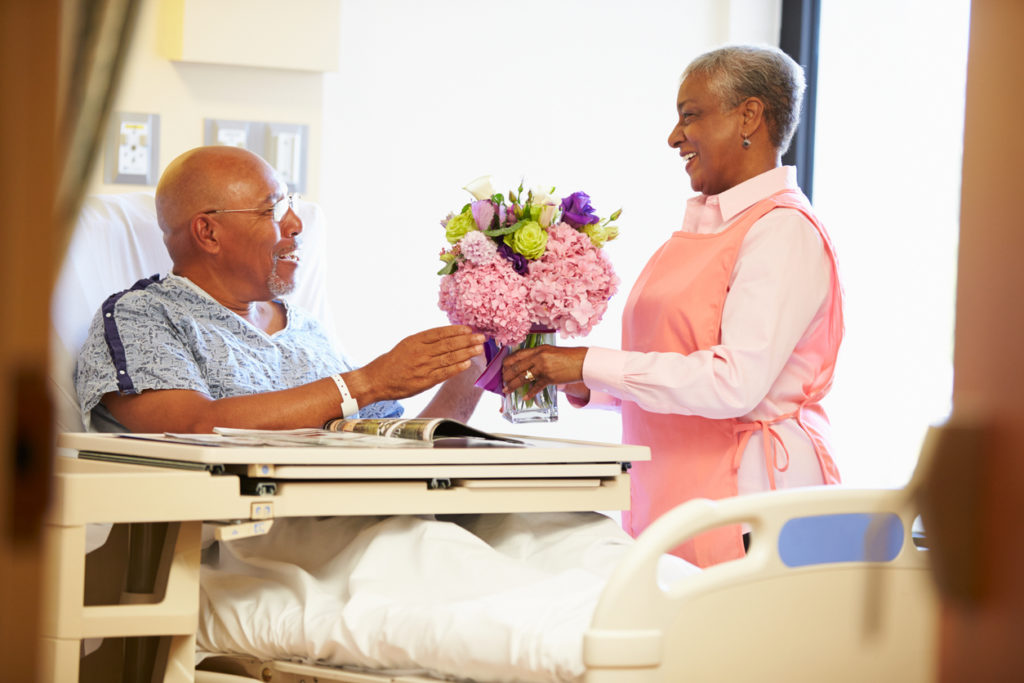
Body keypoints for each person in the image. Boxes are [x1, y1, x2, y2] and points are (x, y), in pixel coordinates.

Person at [501, 45, 844, 568]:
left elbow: (732, 384)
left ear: (749, 115)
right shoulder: (705, 229)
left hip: (748, 502)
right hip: (674, 491)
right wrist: (584, 382)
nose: (674, 136)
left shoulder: (783, 231)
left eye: (690, 116)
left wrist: (590, 362)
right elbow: (671, 369)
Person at [74, 145, 486, 433]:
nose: (295, 225)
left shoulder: (305, 330)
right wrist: (367, 382)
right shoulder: (144, 317)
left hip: (369, 515)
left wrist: (471, 374)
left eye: (291, 206)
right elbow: (192, 426)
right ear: (208, 232)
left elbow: (393, 451)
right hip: (261, 531)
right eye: (273, 210)